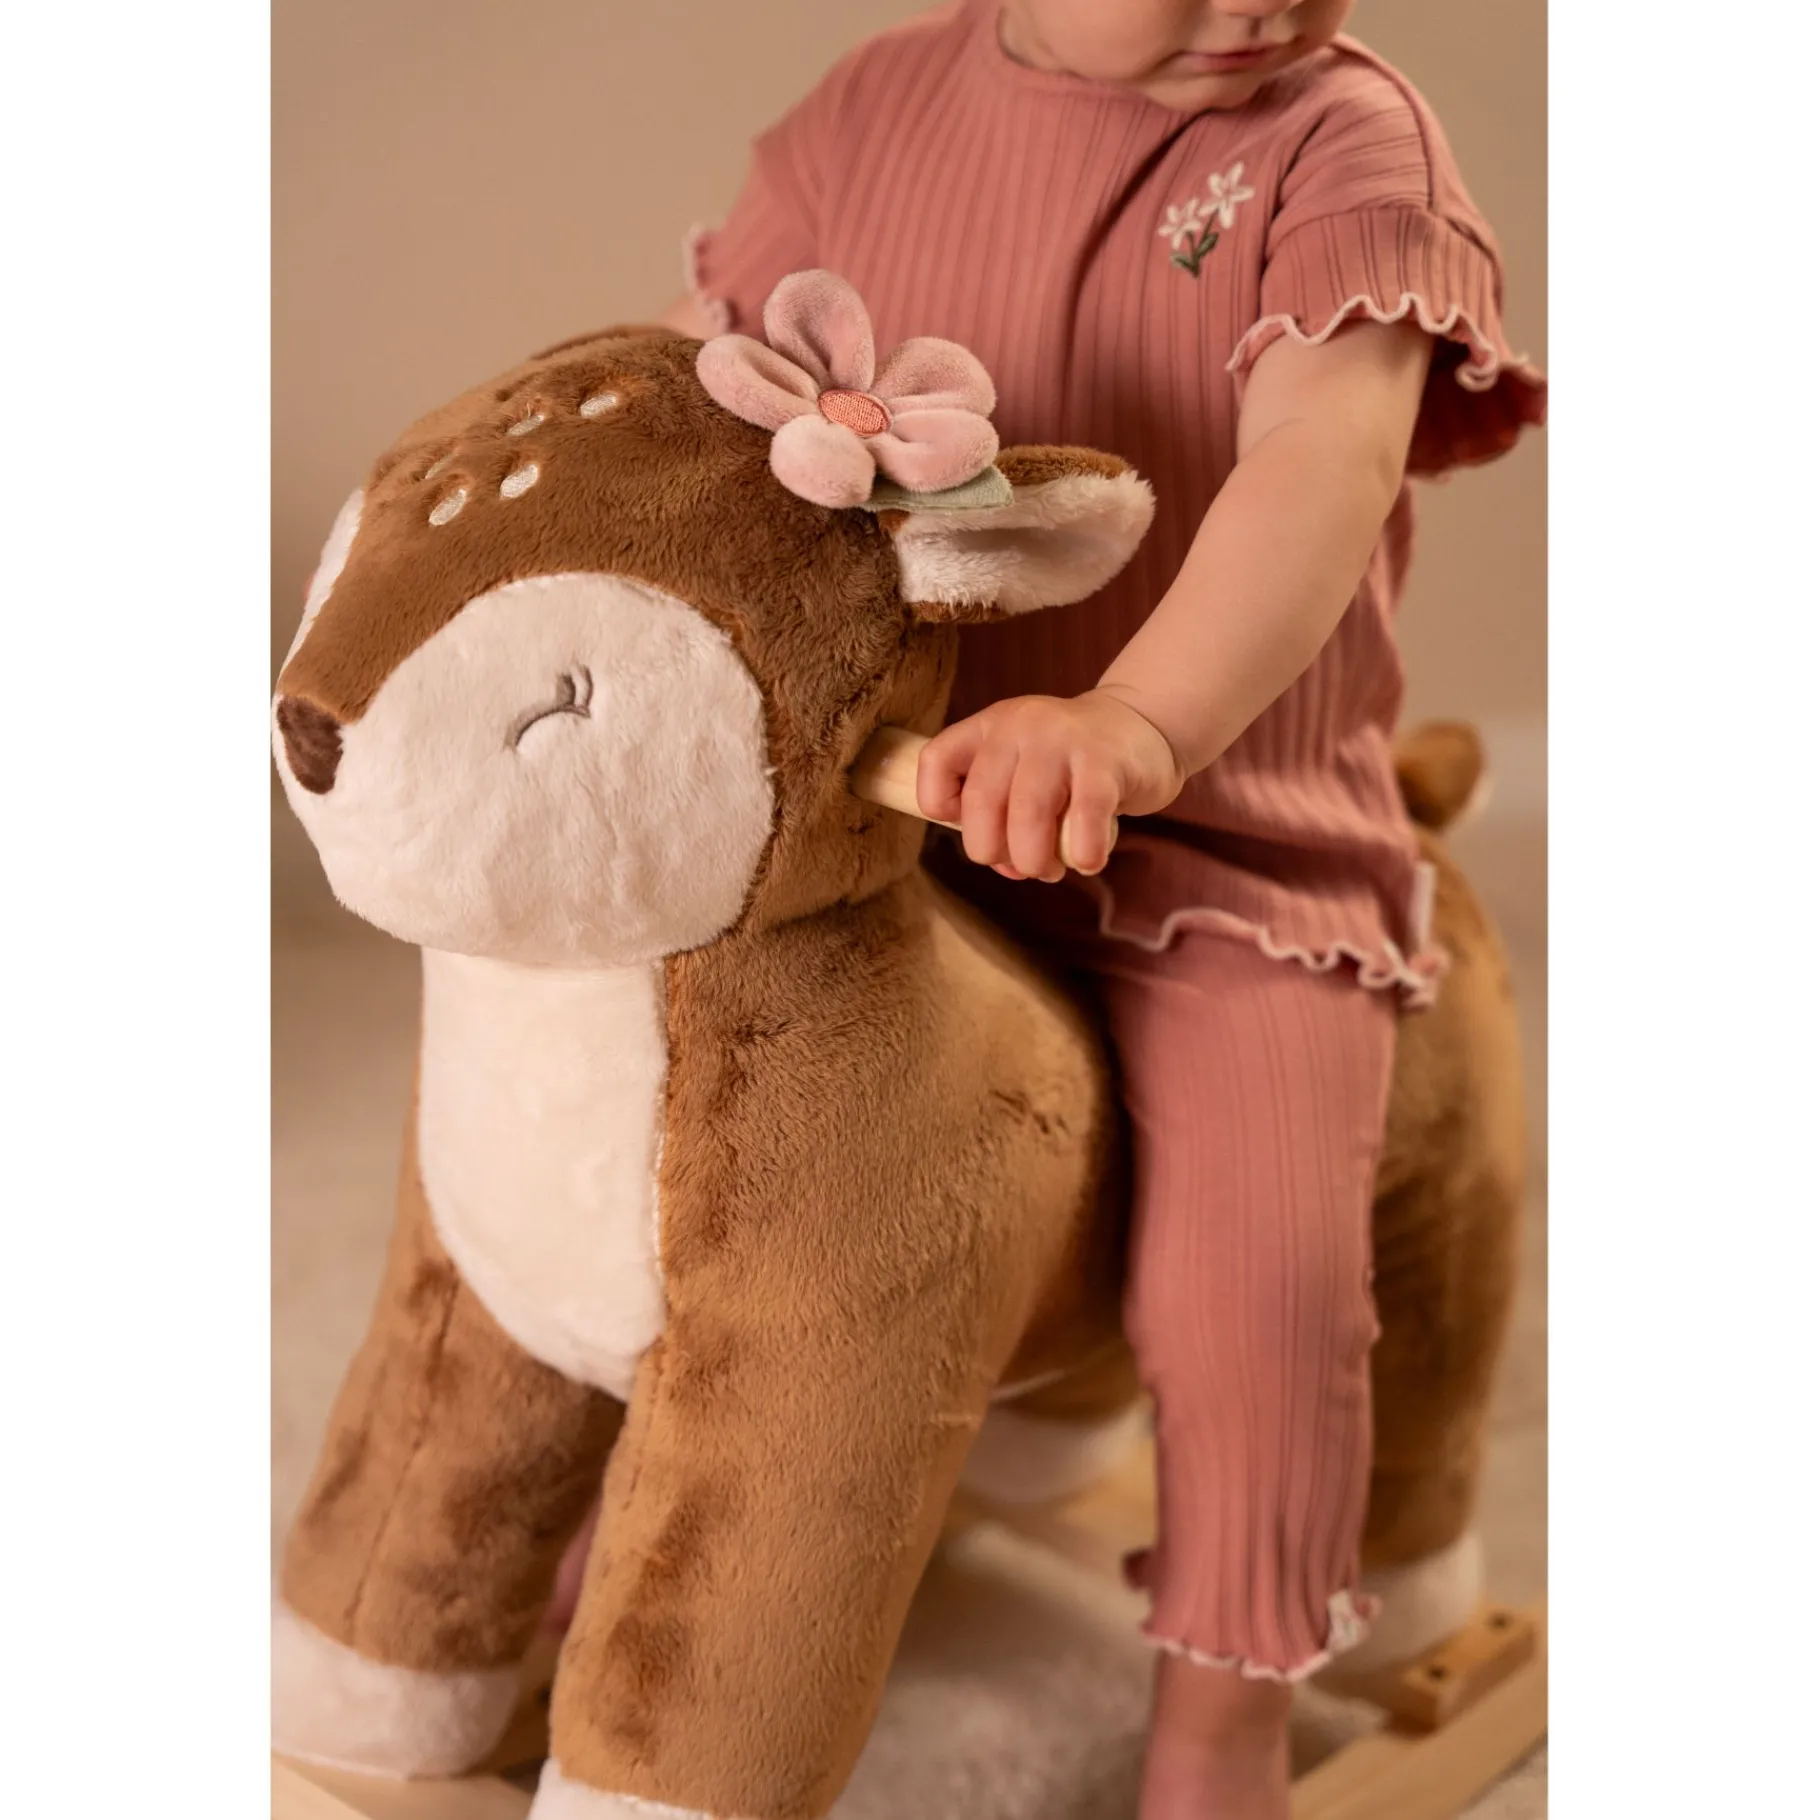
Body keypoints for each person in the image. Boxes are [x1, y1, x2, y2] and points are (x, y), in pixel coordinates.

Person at [622, 5, 1541, 1814]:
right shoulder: (873, 110)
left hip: (1222, 842)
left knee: (1257, 1279)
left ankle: (1225, 1708)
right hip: (896, 811)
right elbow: (700, 379)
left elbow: (1321, 459)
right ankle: (656, 1523)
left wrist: (1135, 723)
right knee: (677, 1149)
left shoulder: (1341, 141)